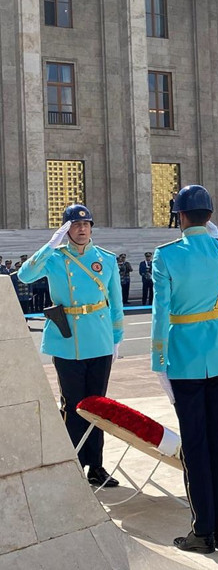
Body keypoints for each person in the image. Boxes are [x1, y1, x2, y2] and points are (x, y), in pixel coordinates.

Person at [151, 184, 218, 554]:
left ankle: (202, 529)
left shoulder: (166, 256)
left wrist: (158, 360)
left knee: (194, 445)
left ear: (179, 216)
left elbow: (160, 312)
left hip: (184, 356)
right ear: (209, 216)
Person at [18, 204, 124, 488]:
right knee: (73, 405)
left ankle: (97, 467)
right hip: (68, 342)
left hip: (100, 340)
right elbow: (25, 276)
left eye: (86, 224)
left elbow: (115, 303)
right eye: (75, 225)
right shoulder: (54, 257)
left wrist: (116, 337)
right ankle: (74, 464)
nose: (82, 229)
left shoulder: (107, 259)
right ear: (66, 230)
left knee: (98, 407)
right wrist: (49, 245)